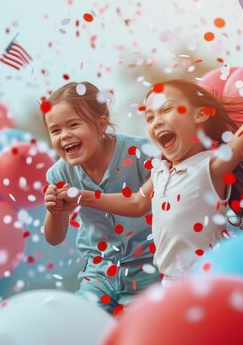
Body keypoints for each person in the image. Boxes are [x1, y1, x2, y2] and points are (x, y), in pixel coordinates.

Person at [55, 10, 243, 286]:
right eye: (150, 117)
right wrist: (80, 196)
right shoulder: (160, 170)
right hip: (170, 285)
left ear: (201, 115)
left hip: (207, 282)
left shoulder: (212, 166)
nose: (157, 121)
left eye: (167, 110)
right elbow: (135, 203)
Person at [43, 81, 160, 314]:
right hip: (99, 272)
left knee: (141, 327)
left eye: (73, 125)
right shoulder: (59, 173)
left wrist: (82, 197)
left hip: (149, 267)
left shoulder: (141, 154)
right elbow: (54, 238)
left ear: (101, 123)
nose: (65, 135)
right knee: (84, 320)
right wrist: (55, 212)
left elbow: (143, 202)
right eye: (55, 130)